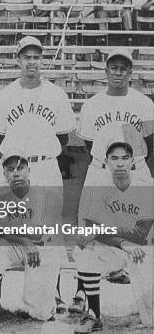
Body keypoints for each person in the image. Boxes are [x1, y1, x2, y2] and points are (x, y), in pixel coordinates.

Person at [0, 154, 64, 327]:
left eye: (20, 168)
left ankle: (45, 303)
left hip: (41, 246)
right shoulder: (0, 192)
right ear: (4, 174)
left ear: (29, 171)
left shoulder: (44, 193)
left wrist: (25, 239)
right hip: (18, 244)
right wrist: (24, 241)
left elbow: (38, 234)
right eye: (10, 169)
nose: (15, 173)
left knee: (40, 314)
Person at [73, 142, 153, 333]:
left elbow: (141, 233)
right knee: (83, 251)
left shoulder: (146, 186)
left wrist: (108, 232)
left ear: (132, 161)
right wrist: (122, 242)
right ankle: (93, 315)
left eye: (125, 158)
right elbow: (90, 230)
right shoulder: (98, 187)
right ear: (106, 162)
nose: (120, 163)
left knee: (150, 320)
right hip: (119, 248)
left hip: (145, 250)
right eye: (114, 158)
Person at [0, 36, 75, 189]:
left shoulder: (57, 94)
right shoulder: (4, 96)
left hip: (46, 168)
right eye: (26, 57)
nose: (32, 62)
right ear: (18, 60)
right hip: (14, 167)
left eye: (36, 57)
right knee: (11, 213)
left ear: (42, 60)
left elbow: (63, 138)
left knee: (48, 213)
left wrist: (43, 152)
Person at [78, 49, 153, 186]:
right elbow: (89, 145)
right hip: (101, 173)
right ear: (106, 71)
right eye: (114, 68)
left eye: (123, 69)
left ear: (130, 73)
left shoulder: (144, 104)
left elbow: (149, 144)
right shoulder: (91, 105)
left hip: (136, 172)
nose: (118, 73)